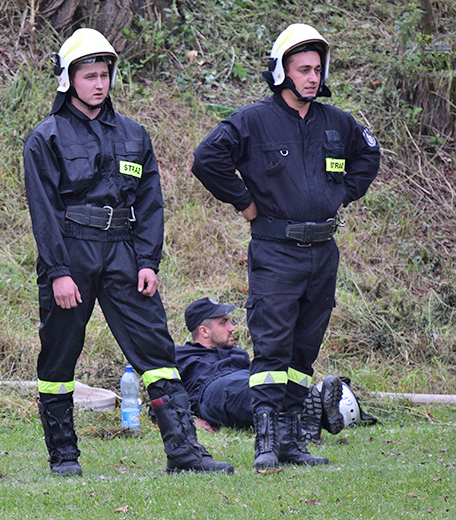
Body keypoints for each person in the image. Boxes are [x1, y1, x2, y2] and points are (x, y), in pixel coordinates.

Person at [23, 28, 233, 476]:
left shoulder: (135, 135)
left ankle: (184, 452)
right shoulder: (46, 138)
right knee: (59, 355)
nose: (99, 84)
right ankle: (63, 455)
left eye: (104, 75)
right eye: (89, 76)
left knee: (157, 354)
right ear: (68, 80)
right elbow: (44, 211)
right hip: (72, 253)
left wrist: (147, 261)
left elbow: (151, 203)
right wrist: (59, 270)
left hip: (123, 252)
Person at [190, 24, 380, 470]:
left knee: (303, 350)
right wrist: (245, 203)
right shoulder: (252, 121)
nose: (313, 78)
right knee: (272, 348)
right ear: (281, 71)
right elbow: (206, 159)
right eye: (303, 69)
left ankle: (293, 441)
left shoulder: (338, 123)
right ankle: (266, 442)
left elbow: (369, 156)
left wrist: (343, 194)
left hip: (322, 252)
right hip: (276, 251)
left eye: (317, 69)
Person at [175, 297, 344, 442]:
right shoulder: (181, 355)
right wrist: (191, 419)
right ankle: (315, 410)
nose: (232, 327)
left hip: (247, 379)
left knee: (274, 384)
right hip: (212, 389)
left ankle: (313, 416)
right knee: (257, 393)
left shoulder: (237, 353)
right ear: (204, 331)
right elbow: (162, 397)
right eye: (223, 322)